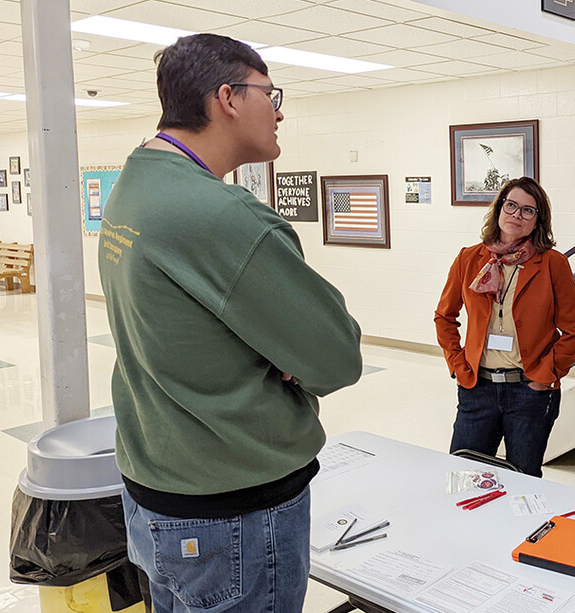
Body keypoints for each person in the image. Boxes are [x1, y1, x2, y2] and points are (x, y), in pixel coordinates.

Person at [98, 34, 362, 612]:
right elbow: (338, 356)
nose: (280, 110)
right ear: (229, 98)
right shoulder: (223, 216)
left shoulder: (134, 188)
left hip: (157, 491)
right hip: (233, 511)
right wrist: (283, 355)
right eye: (271, 93)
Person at [435, 177, 575, 477]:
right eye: (511, 205)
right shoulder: (469, 258)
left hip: (529, 392)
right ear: (499, 208)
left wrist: (544, 377)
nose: (516, 215)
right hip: (477, 389)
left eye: (528, 211)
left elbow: (573, 332)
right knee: (462, 476)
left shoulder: (553, 264)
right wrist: (458, 364)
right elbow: (444, 317)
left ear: (538, 221)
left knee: (524, 480)